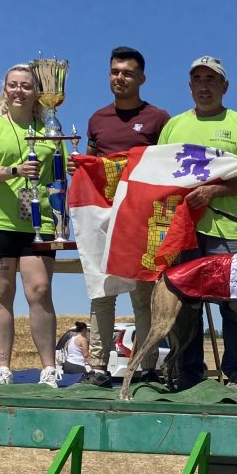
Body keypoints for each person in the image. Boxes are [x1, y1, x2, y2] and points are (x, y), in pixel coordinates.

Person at [158, 55, 237, 392]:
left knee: (233, 305)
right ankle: (189, 373)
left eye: (211, 79)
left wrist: (214, 191)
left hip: (227, 229)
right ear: (190, 86)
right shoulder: (173, 126)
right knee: (185, 303)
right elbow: (159, 176)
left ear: (224, 86)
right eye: (198, 79)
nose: (204, 86)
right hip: (184, 230)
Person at [0, 64, 66, 387]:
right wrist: (15, 171)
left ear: (38, 92)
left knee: (39, 290)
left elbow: (60, 174)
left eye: (26, 86)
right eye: (13, 85)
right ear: (4, 89)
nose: (19, 91)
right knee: (1, 290)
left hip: (41, 221)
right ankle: (3, 367)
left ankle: (49, 367)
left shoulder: (51, 129)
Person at [78, 46, 170, 387]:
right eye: (115, 71)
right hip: (101, 219)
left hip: (141, 219)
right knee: (101, 294)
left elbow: (165, 167)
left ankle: (146, 367)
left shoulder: (159, 118)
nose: (120, 77)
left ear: (141, 78)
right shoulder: (96, 119)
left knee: (143, 297)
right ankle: (97, 367)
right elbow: (89, 165)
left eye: (127, 73)